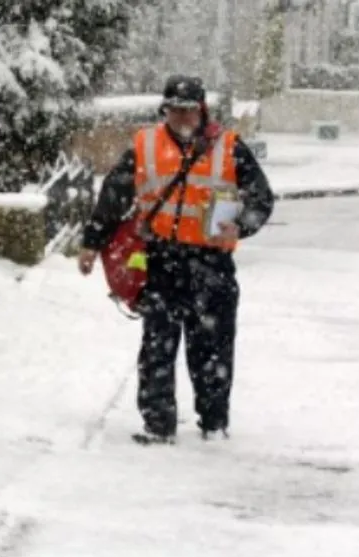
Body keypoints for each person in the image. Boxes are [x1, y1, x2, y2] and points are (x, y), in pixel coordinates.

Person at [76, 74, 275, 445]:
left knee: (212, 349)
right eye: (175, 109)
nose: (183, 116)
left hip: (212, 263)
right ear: (164, 110)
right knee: (157, 347)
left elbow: (261, 197)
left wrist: (242, 225)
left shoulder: (229, 146)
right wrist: (92, 243)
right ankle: (158, 424)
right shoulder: (145, 145)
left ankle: (213, 423)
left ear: (202, 110)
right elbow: (114, 195)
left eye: (189, 110)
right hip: (162, 261)